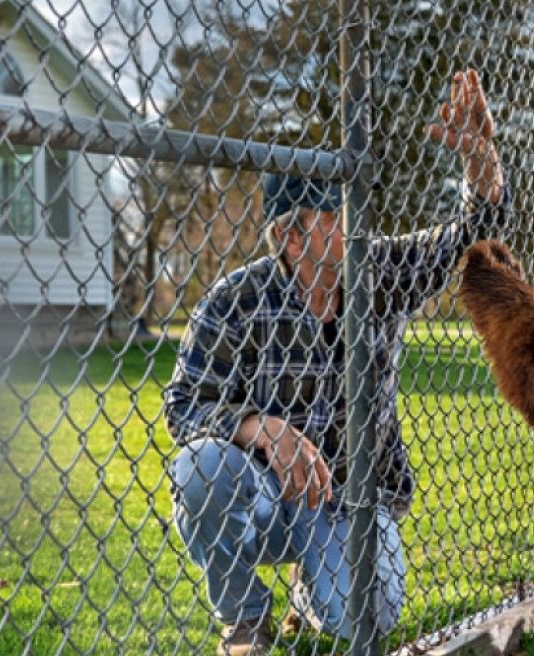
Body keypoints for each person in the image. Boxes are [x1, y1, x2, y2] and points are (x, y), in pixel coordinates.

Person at [164, 69, 512, 656]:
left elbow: (475, 230)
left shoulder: (378, 272)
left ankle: (309, 593)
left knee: (370, 619)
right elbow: (183, 407)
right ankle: (245, 618)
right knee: (200, 469)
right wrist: (259, 427)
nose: (357, 225)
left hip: (351, 499)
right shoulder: (234, 302)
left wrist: (482, 162)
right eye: (336, 216)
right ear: (293, 238)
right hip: (263, 498)